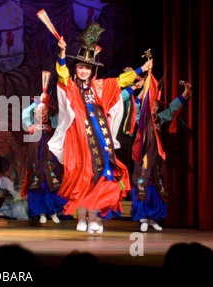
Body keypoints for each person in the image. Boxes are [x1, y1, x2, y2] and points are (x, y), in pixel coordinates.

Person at [48, 23, 153, 233]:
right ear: (75, 68)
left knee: (101, 176)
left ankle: (95, 216)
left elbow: (120, 81)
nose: (83, 70)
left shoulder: (99, 87)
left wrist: (142, 69)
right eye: (80, 67)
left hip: (100, 140)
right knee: (82, 176)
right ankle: (82, 216)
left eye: (87, 67)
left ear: (92, 70)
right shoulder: (70, 86)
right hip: (78, 140)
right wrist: (61, 51)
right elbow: (61, 73)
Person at [131, 78, 192, 231]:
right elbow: (136, 105)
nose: (154, 107)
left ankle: (153, 218)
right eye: (151, 103)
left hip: (157, 158)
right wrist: (143, 87)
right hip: (143, 157)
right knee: (143, 184)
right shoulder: (140, 118)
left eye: (156, 105)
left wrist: (184, 93)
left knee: (157, 184)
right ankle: (143, 217)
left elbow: (171, 109)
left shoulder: (159, 118)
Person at [21, 72, 66, 223]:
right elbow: (23, 114)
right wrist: (37, 102)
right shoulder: (31, 125)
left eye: (44, 110)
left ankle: (53, 213)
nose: (41, 113)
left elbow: (63, 118)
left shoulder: (52, 124)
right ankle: (41, 214)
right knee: (37, 185)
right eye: (39, 111)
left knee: (51, 184)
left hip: (49, 159)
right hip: (35, 161)